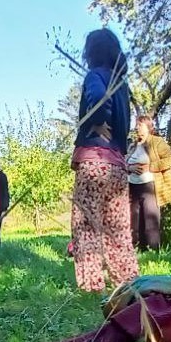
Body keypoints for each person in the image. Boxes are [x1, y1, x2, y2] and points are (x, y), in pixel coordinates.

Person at [70, 28, 139, 292]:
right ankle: (128, 283)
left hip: (94, 163)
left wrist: (98, 121)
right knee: (117, 229)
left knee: (87, 225)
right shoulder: (122, 85)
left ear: (92, 52)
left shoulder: (95, 76)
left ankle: (92, 286)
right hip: (117, 167)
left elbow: (98, 99)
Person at [125, 116, 171, 251]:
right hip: (132, 186)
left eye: (140, 125)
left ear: (149, 127)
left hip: (150, 185)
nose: (137, 128)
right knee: (134, 221)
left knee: (151, 221)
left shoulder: (157, 142)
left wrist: (150, 167)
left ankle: (154, 251)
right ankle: (136, 250)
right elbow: (123, 162)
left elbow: (170, 159)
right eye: (137, 125)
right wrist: (129, 168)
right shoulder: (132, 145)